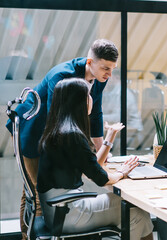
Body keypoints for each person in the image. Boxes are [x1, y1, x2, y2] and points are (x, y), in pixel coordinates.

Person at [5, 39, 119, 239]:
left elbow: (96, 115)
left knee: (31, 191)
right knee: (36, 195)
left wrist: (102, 152)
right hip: (32, 132)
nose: (109, 74)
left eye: (112, 69)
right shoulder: (62, 75)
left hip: (52, 135)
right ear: (90, 62)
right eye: (106, 68)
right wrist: (81, 153)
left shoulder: (100, 77)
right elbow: (55, 119)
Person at [37, 78, 153, 239]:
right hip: (70, 212)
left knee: (130, 207)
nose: (91, 99)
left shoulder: (58, 131)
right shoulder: (73, 135)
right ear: (79, 101)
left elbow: (92, 168)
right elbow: (101, 178)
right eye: (88, 95)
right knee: (136, 212)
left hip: (57, 210)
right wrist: (121, 172)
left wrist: (109, 138)